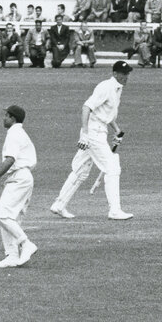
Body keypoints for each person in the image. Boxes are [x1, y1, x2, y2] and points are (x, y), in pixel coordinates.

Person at [51, 60, 134, 220]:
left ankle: (59, 205)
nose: (126, 77)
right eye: (124, 74)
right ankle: (115, 211)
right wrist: (84, 134)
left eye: (128, 74)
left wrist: (116, 130)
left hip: (99, 130)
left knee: (81, 171)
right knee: (112, 168)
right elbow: (87, 107)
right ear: (115, 74)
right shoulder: (106, 87)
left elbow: (104, 113)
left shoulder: (117, 89)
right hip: (93, 133)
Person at [0, 105, 38, 268]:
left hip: (19, 177)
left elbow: (10, 159)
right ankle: (12, 255)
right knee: (10, 219)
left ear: (13, 118)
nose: (3, 118)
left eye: (6, 115)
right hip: (23, 177)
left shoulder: (14, 133)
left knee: (2, 215)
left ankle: (26, 243)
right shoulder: (18, 132)